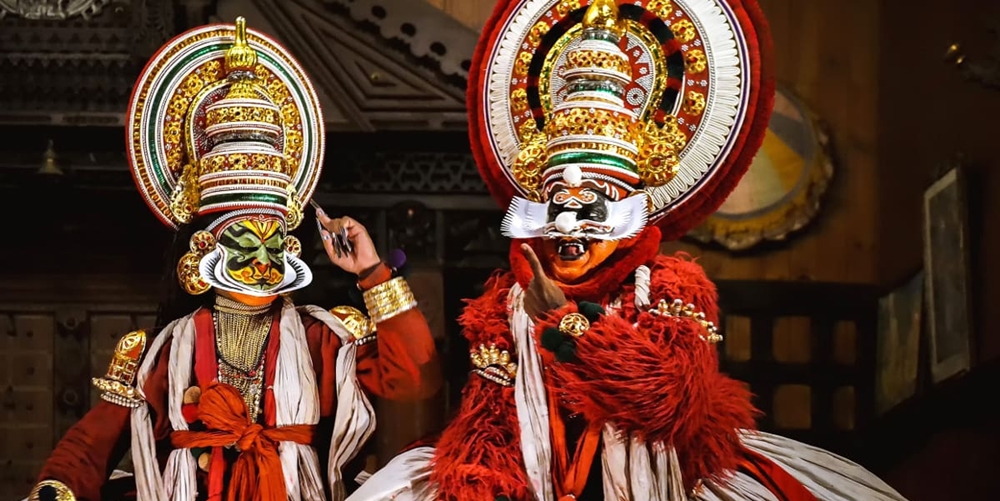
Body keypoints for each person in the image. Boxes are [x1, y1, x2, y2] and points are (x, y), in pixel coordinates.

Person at [347, 0, 907, 500]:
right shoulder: (505, 304)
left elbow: (666, 405)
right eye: (555, 204)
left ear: (628, 211)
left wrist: (568, 325)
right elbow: (487, 423)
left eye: (591, 207)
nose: (569, 226)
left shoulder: (669, 288)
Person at [26, 17, 440, 501]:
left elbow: (415, 385)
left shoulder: (323, 339)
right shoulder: (160, 353)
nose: (264, 260)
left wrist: (372, 272)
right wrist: (57, 488)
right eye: (245, 241)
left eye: (274, 242)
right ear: (204, 248)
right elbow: (89, 448)